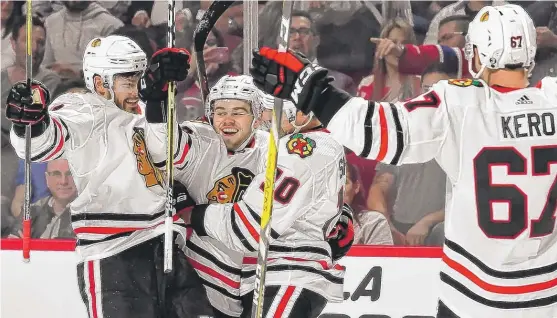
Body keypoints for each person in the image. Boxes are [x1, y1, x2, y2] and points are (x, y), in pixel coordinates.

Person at [249, 4, 557, 318]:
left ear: (477, 53)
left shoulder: (460, 103)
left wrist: (310, 88)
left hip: (470, 297)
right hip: (545, 297)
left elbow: (375, 130)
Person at [5, 35, 212, 318]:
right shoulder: (83, 109)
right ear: (101, 84)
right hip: (112, 254)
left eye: (141, 79)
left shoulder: (149, 107)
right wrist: (32, 121)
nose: (137, 90)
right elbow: (41, 143)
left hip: (164, 246)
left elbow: (175, 156)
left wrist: (159, 95)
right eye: (128, 82)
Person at [181, 100, 349, 318]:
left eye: (271, 109)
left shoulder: (301, 150)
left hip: (288, 274)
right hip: (274, 277)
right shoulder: (321, 144)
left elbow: (249, 227)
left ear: (300, 111)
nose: (263, 118)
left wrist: (195, 214)